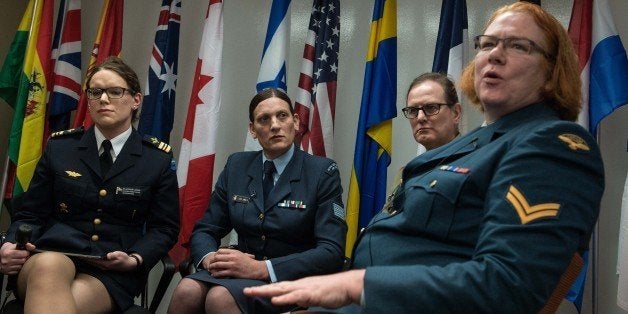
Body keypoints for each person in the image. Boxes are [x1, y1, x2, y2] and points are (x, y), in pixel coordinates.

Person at [244, 2, 605, 313]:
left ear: (550, 71)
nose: (494, 54)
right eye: (488, 44)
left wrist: (359, 284)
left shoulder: (552, 145)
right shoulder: (480, 143)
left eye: (518, 46)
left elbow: (508, 285)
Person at [0, 56, 180, 313]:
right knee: (48, 265)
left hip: (109, 271)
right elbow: (30, 214)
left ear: (136, 100)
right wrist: (8, 243)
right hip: (49, 254)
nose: (104, 99)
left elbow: (164, 228)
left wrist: (134, 259)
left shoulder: (156, 159)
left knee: (59, 300)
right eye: (95, 92)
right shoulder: (61, 148)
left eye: (115, 92)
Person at [167, 87, 347, 314]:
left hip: (291, 280)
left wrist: (263, 268)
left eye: (282, 116)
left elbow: (331, 251)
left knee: (220, 298)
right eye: (264, 119)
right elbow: (206, 229)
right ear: (253, 130)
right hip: (238, 275)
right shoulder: (237, 166)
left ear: (296, 121)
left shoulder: (322, 172)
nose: (274, 125)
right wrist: (210, 258)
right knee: (187, 290)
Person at [402, 72, 462, 151]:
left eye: (430, 107)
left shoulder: (476, 162)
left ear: (456, 113)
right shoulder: (418, 163)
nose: (420, 117)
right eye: (413, 110)